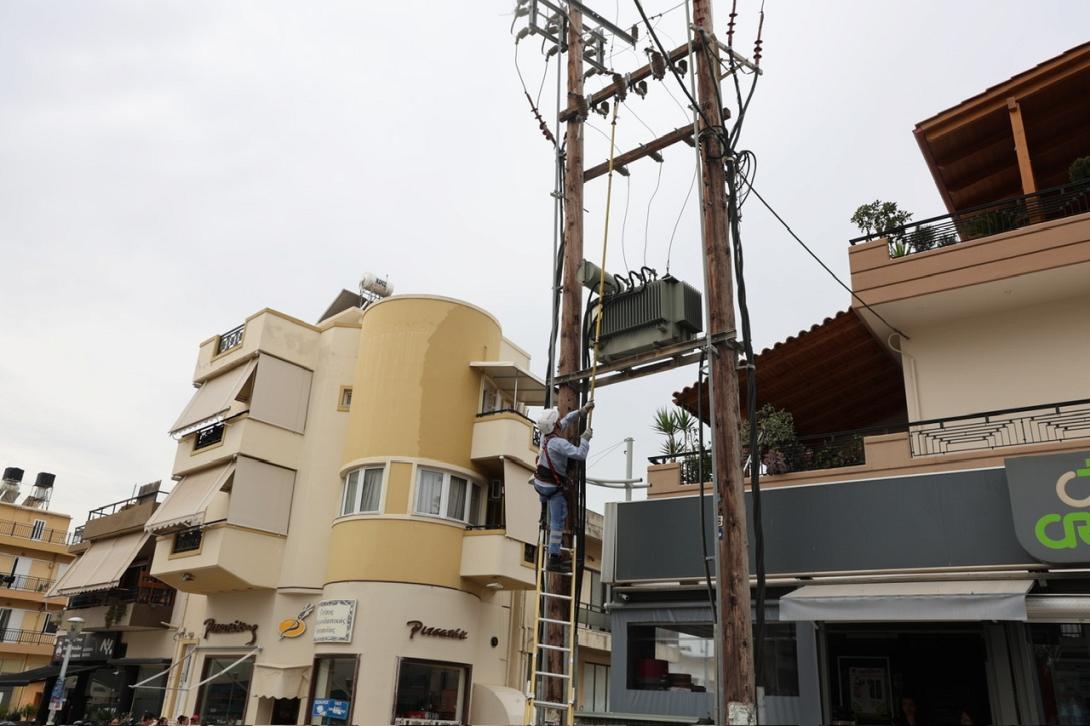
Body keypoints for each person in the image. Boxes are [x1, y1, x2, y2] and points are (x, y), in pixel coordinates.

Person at [533, 401, 594, 571]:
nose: (560, 421)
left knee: (550, 508)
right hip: (552, 487)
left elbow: (566, 420)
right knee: (558, 521)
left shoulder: (546, 436)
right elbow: (580, 454)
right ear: (553, 424)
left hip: (539, 483)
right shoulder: (558, 443)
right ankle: (554, 558)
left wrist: (581, 412)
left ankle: (544, 513)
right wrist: (585, 440)